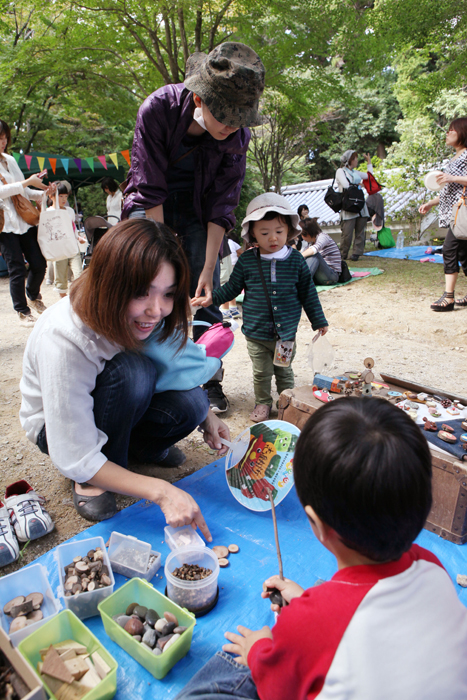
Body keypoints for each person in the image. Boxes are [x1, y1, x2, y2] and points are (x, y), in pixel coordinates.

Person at [175, 398, 467, 700]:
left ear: (316, 523)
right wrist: (310, 604)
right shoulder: (432, 566)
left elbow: (278, 689)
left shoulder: (308, 625)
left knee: (220, 677)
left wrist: (258, 650)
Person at [19, 218, 230, 526]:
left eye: (168, 294)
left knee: (194, 403)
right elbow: (72, 452)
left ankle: (136, 451)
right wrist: (161, 491)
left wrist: (207, 417)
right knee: (133, 372)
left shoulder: (146, 314)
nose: (156, 310)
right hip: (57, 427)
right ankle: (92, 479)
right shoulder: (64, 337)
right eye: (141, 292)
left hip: (117, 404)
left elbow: (171, 367)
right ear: (109, 283)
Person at [122, 42, 265, 413]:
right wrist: (164, 256)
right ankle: (142, 375)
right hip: (150, 206)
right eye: (225, 116)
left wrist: (206, 267)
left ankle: (209, 378)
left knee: (206, 292)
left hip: (199, 211)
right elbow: (149, 186)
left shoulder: (237, 136)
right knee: (147, 281)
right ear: (200, 99)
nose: (232, 126)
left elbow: (222, 204)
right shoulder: (158, 108)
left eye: (239, 119)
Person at [192, 193, 328, 423]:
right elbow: (231, 288)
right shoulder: (247, 261)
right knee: (261, 372)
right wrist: (211, 299)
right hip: (256, 333)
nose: (273, 238)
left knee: (284, 371)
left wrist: (319, 321)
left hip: (286, 335)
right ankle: (263, 403)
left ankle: (287, 403)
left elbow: (309, 294)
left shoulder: (296, 260)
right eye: (264, 233)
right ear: (253, 233)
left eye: (279, 231)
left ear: (289, 230)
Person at [0, 119, 51, 326]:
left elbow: (24, 191)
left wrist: (45, 193)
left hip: (25, 220)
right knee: (17, 269)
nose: (3, 142)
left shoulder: (10, 160)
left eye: (5, 138)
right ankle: (22, 311)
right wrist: (27, 182)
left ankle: (33, 295)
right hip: (5, 225)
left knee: (39, 263)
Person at [419, 117, 467, 311]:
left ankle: (448, 297)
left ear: (463, 132)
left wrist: (452, 177)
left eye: (451, 130)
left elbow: (454, 182)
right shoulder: (454, 158)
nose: (447, 133)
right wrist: (431, 203)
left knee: (449, 249)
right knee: (464, 254)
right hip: (454, 214)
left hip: (461, 214)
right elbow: (450, 191)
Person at [335, 150, 374, 261]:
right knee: (347, 232)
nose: (357, 160)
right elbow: (346, 185)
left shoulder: (355, 172)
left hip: (359, 204)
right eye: (355, 158)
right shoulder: (340, 171)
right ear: (349, 160)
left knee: (360, 230)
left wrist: (369, 162)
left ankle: (356, 253)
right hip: (348, 204)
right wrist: (358, 185)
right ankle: (343, 254)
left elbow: (369, 176)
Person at [50, 181, 86, 298]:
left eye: (65, 196)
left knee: (79, 274)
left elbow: (72, 228)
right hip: (59, 249)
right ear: (52, 196)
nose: (64, 199)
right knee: (61, 278)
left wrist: (78, 237)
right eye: (60, 196)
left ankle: (78, 299)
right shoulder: (49, 212)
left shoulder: (70, 210)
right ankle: (64, 301)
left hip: (72, 246)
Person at [299, 217, 342, 285]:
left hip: (331, 275)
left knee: (314, 254)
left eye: (302, 234)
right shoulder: (310, 243)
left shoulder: (323, 236)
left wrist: (299, 256)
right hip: (319, 275)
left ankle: (302, 282)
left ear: (308, 233)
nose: (301, 237)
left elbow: (314, 249)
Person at [219, 233, 242, 319]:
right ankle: (233, 308)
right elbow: (240, 252)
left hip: (222, 256)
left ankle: (225, 311)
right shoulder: (230, 241)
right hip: (231, 260)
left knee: (224, 282)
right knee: (229, 283)